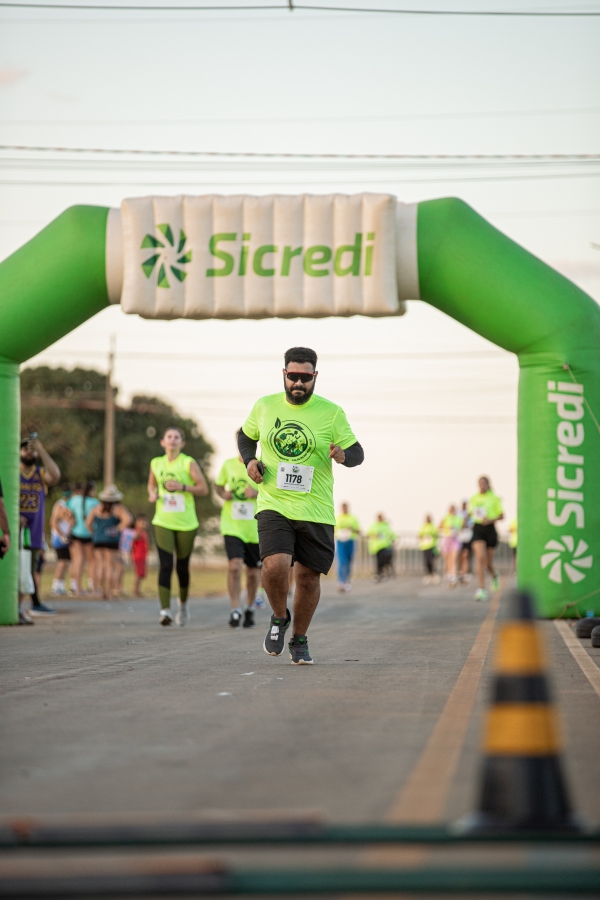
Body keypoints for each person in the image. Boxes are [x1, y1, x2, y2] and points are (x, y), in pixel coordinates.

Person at [238, 347, 364, 665]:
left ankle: (299, 639)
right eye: (292, 376)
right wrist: (250, 460)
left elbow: (358, 452)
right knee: (274, 565)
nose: (298, 383)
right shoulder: (265, 406)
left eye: (305, 378)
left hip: (316, 508)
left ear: (315, 377)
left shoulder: (331, 413)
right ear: (284, 374)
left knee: (308, 578)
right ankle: (279, 617)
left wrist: (343, 455)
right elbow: (245, 436)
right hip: (274, 503)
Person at [148, 426, 209, 627]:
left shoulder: (187, 462)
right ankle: (165, 611)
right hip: (163, 521)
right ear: (162, 442)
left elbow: (203, 489)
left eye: (176, 437)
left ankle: (182, 605)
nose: (172, 440)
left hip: (186, 523)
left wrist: (182, 487)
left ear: (182, 443)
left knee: (182, 567)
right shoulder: (156, 463)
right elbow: (151, 485)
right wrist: (152, 494)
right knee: (165, 565)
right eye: (169, 436)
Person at [215, 432, 261, 629]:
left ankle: (249, 607)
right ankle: (235, 609)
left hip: (254, 528)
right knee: (234, 566)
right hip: (231, 525)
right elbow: (217, 486)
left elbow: (276, 490)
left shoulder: (263, 464)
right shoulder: (228, 465)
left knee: (252, 573)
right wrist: (223, 493)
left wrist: (257, 492)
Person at [19, 435, 60, 616]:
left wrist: (41, 450)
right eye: (25, 449)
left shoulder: (40, 474)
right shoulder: (13, 472)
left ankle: (30, 604)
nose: (29, 453)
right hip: (15, 530)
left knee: (30, 569)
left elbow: (55, 475)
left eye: (32, 450)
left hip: (33, 532)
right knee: (16, 570)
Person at [85, 485, 132, 599]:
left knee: (100, 565)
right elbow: (128, 520)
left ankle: (102, 591)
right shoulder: (118, 509)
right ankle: (111, 592)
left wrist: (94, 533)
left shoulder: (96, 508)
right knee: (110, 566)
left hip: (98, 540)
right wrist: (117, 529)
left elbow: (88, 523)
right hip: (111, 540)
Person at [469, 476, 504, 602]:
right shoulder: (474, 498)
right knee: (480, 558)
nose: (482, 485)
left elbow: (501, 515)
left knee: (488, 564)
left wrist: (489, 520)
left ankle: (494, 575)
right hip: (478, 528)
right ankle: (481, 589)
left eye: (484, 483)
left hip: (490, 528)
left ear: (488, 484)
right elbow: (471, 513)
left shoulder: (494, 498)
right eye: (480, 483)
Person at [67, 481, 99, 595]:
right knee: (92, 561)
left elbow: (68, 513)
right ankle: (92, 588)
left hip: (76, 532)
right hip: (90, 533)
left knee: (78, 561)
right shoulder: (95, 502)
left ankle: (77, 589)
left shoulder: (74, 500)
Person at [50, 486, 75, 595]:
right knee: (62, 562)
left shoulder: (67, 504)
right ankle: (56, 586)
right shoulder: (60, 505)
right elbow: (53, 522)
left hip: (65, 537)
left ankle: (61, 585)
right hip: (59, 537)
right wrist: (62, 535)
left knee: (66, 563)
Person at [334, 502, 360, 592]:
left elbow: (358, 531)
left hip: (350, 541)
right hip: (341, 541)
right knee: (342, 561)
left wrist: (351, 529)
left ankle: (347, 579)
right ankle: (341, 581)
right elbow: (333, 530)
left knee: (349, 561)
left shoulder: (353, 518)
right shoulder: (338, 518)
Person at [439, 504, 462, 588]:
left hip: (455, 539)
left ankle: (453, 576)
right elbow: (439, 527)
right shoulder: (446, 517)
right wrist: (447, 528)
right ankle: (449, 574)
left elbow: (462, 527)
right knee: (448, 559)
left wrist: (456, 528)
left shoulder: (459, 518)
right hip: (447, 539)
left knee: (454, 558)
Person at [367, 513, 395, 582]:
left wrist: (394, 540)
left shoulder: (386, 526)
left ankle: (382, 572)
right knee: (379, 561)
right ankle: (379, 573)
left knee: (384, 558)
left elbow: (391, 534)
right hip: (376, 547)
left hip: (385, 545)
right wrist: (375, 535)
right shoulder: (374, 526)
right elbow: (368, 534)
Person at [131, 514, 149, 597]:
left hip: (143, 556)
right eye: (142, 522)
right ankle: (135, 591)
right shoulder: (137, 532)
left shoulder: (144, 533)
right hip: (138, 556)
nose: (144, 524)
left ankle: (138, 590)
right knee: (138, 574)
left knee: (141, 574)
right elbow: (132, 542)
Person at [418, 514, 438, 585]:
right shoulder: (423, 526)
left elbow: (436, 534)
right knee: (426, 561)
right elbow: (420, 535)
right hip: (425, 546)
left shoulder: (433, 526)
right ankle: (428, 573)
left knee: (431, 560)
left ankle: (433, 573)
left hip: (432, 546)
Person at [458, 500, 474, 584]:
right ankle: (461, 571)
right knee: (461, 556)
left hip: (468, 538)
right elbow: (460, 526)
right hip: (460, 538)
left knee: (466, 555)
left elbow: (472, 526)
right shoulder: (458, 514)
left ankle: (465, 572)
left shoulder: (471, 515)